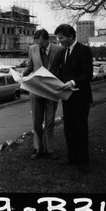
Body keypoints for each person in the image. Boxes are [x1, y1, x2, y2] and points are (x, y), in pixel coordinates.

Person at [52, 23, 94, 166]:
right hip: (67, 97)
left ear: (70, 36)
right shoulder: (63, 52)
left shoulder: (84, 50)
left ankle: (83, 162)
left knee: (80, 129)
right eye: (58, 38)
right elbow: (61, 73)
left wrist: (73, 82)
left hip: (81, 98)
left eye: (61, 38)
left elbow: (88, 74)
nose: (59, 41)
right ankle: (72, 158)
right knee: (69, 129)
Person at [25, 28, 58, 159]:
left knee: (50, 122)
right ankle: (38, 148)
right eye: (37, 43)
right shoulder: (32, 49)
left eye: (42, 43)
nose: (40, 46)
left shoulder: (58, 50)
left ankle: (50, 149)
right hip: (36, 91)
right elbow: (30, 66)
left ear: (48, 40)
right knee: (36, 122)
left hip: (51, 92)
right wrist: (23, 75)